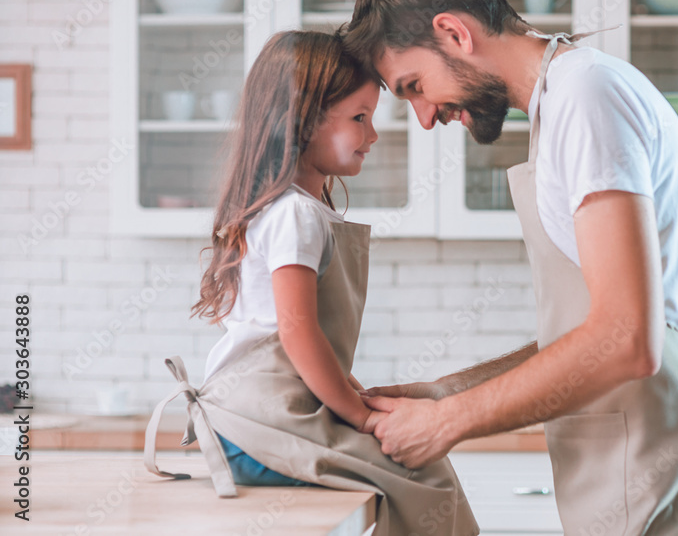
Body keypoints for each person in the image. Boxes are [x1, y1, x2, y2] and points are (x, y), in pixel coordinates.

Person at [345, 0, 678, 536]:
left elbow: (627, 340)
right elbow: (587, 333)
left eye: (414, 85)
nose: (423, 115)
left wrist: (450, 423)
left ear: (453, 33)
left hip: (677, 476)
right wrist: (445, 393)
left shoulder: (585, 96)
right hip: (647, 469)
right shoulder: (563, 100)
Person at [143, 29, 479, 536]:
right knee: (423, 470)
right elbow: (299, 336)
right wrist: (361, 418)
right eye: (359, 118)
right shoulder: (296, 215)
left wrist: (349, 394)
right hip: (262, 425)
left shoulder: (291, 210)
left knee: (419, 465)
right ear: (301, 122)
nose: (373, 135)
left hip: (253, 421)